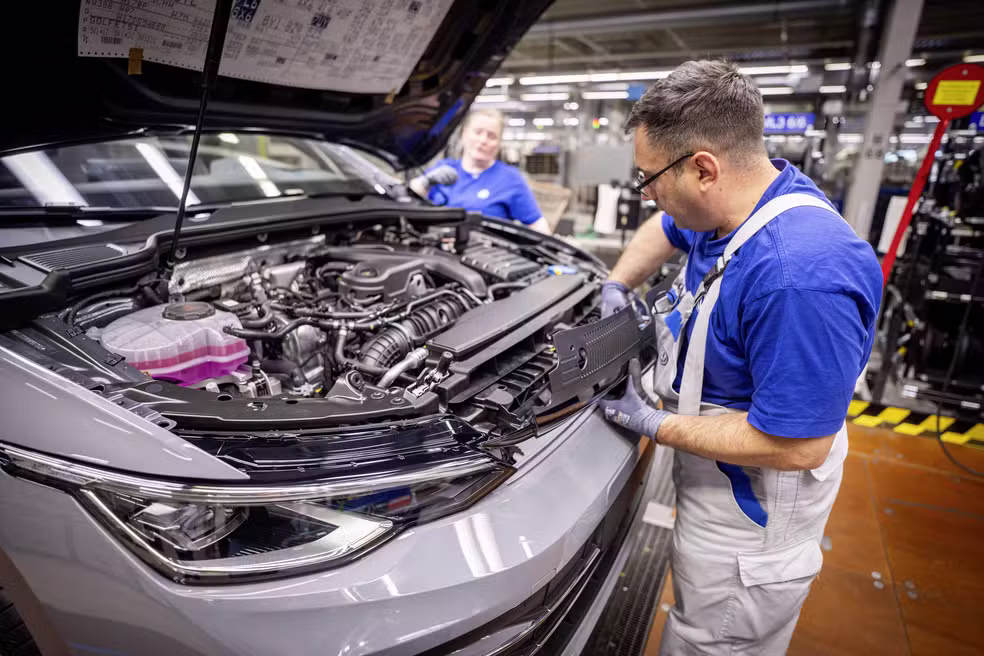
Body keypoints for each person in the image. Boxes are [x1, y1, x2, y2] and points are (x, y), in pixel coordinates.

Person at [598, 60, 882, 654]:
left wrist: (655, 422)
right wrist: (616, 286)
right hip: (712, 477)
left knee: (713, 639)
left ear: (704, 167)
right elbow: (668, 227)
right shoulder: (736, 199)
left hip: (751, 514)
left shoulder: (798, 277)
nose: (648, 193)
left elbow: (799, 447)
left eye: (650, 177)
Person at [410, 109, 552, 234]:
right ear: (464, 134)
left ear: (499, 143)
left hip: (486, 256)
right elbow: (409, 198)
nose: (483, 140)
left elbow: (536, 223)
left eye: (492, 136)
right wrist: (424, 182)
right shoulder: (443, 168)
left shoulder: (510, 179)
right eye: (478, 132)